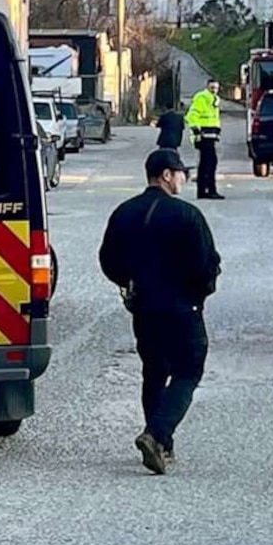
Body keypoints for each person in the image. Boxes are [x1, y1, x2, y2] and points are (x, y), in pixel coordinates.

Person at [97, 148, 220, 473]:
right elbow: (207, 264)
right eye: (181, 173)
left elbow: (108, 260)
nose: (184, 178)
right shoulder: (186, 215)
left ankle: (159, 444)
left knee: (153, 371)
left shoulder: (124, 212)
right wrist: (200, 292)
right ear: (166, 175)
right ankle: (157, 434)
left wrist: (129, 283)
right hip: (182, 308)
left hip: (144, 308)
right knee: (188, 371)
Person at [184, 82, 225, 199]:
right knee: (209, 164)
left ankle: (203, 191)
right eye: (212, 87)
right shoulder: (202, 97)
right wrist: (196, 130)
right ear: (207, 87)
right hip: (203, 136)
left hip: (211, 136)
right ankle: (210, 190)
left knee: (206, 164)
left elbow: (213, 119)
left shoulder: (215, 99)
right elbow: (191, 115)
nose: (214, 90)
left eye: (216, 88)